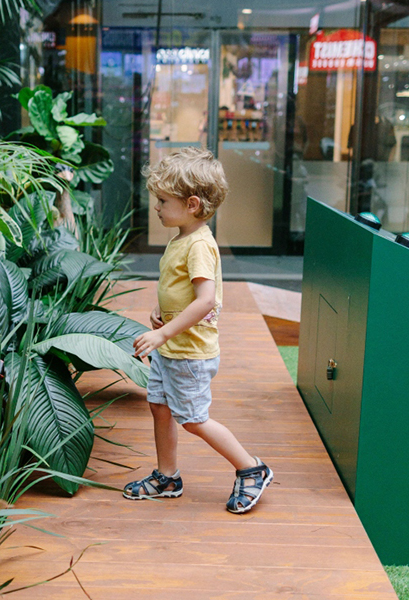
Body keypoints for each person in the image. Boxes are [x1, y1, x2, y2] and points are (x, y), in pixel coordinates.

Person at [124, 147, 273, 514]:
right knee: (158, 405)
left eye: (161, 200)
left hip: (189, 353)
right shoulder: (180, 238)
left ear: (192, 204)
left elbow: (206, 300)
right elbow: (182, 291)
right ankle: (167, 476)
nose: (156, 206)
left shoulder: (200, 246)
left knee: (193, 419)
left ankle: (251, 468)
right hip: (172, 347)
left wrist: (162, 333)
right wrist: (163, 314)